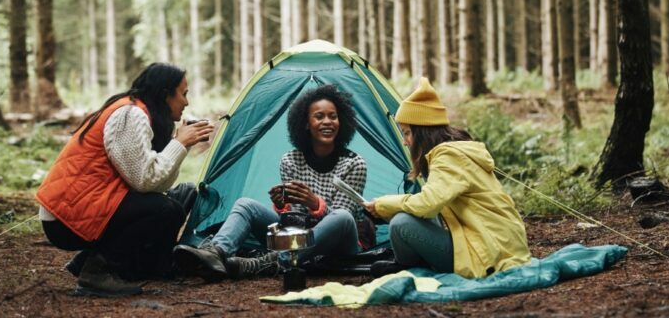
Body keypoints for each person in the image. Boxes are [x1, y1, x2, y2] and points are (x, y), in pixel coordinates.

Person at [36, 63, 214, 296]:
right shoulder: (131, 115)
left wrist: (180, 145)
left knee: (180, 196)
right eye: (184, 94)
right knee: (165, 209)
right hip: (65, 217)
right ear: (165, 94)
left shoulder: (138, 112)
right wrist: (179, 144)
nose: (186, 102)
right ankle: (97, 271)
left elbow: (159, 184)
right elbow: (145, 181)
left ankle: (94, 261)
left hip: (86, 205)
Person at [173, 84, 367, 282]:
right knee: (245, 205)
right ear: (306, 123)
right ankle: (216, 252)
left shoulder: (354, 164)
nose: (328, 122)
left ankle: (269, 263)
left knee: (342, 217)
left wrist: (315, 204)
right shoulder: (291, 161)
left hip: (341, 244)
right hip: (301, 239)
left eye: (333, 117)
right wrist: (282, 207)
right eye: (319, 116)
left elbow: (344, 222)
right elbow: (296, 223)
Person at [363, 78, 531, 278]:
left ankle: (408, 267)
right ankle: (410, 264)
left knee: (401, 224)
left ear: (422, 131)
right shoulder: (454, 152)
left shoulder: (449, 158)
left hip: (489, 251)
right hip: (494, 242)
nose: (406, 143)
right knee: (413, 214)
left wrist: (383, 204)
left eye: (407, 133)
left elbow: (427, 204)